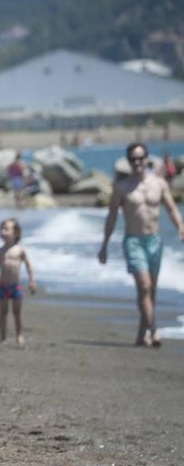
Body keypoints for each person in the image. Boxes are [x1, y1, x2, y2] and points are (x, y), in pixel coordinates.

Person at [98, 141, 184, 348]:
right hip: (133, 241)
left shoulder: (159, 184)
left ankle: (141, 333)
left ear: (147, 159)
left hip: (154, 241)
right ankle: (154, 330)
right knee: (144, 286)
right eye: (133, 159)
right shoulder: (121, 187)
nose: (137, 162)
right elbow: (111, 216)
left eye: (140, 158)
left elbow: (171, 209)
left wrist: (180, 227)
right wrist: (105, 245)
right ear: (128, 162)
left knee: (150, 291)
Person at [0, 218, 37, 345]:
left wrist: (32, 281)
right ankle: (3, 337)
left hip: (16, 286)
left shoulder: (20, 250)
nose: (3, 232)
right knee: (3, 313)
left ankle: (19, 335)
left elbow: (28, 266)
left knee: (17, 313)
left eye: (6, 229)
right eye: (1, 229)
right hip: (3, 286)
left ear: (16, 233)